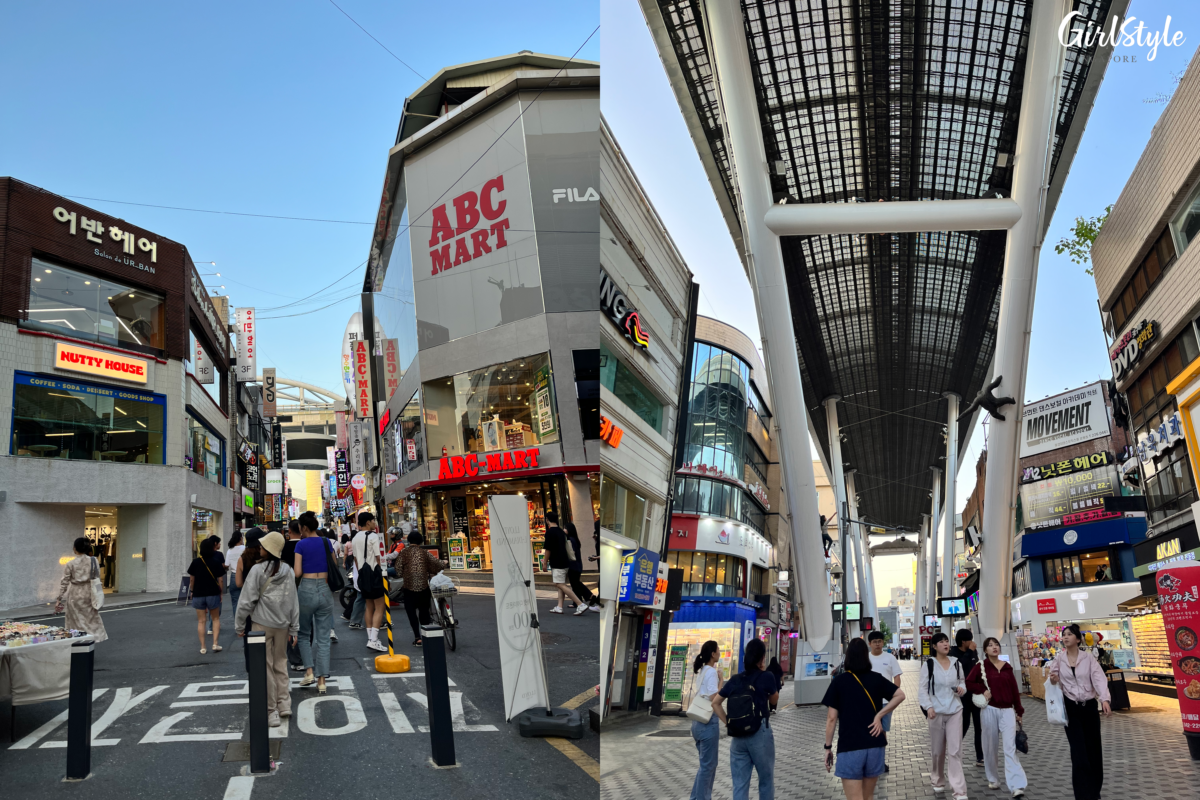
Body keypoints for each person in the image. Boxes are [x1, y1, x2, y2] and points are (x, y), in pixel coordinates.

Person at [821, 637, 905, 799]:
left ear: (848, 657)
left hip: (850, 747)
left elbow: (831, 719)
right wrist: (879, 715)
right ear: (866, 656)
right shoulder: (876, 678)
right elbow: (900, 695)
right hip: (875, 745)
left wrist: (827, 748)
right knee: (868, 797)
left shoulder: (839, 682)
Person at [234, 531, 298, 727]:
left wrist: (239, 625)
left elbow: (246, 600)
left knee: (266, 667)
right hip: (283, 625)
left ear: (268, 549)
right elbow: (293, 600)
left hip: (261, 623)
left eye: (263, 546)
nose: (260, 548)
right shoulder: (288, 570)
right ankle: (284, 704)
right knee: (281, 663)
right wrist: (294, 628)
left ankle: (271, 711)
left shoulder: (257, 570)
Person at [1049, 623, 1112, 800]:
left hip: (1090, 708)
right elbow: (1052, 679)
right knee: (1078, 753)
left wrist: (1104, 699)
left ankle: (1094, 791)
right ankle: (1082, 794)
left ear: (1078, 639)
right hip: (1071, 709)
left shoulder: (1088, 658)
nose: (1065, 637)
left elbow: (1099, 679)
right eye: (1064, 634)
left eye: (1069, 634)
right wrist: (1053, 679)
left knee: (1093, 751)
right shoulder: (1059, 659)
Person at [713, 638, 778, 800]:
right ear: (762, 657)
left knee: (740, 784)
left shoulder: (735, 679)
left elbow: (715, 703)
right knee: (765, 781)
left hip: (738, 737)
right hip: (760, 734)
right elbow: (774, 700)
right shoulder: (767, 676)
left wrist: (728, 722)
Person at [966, 637, 1027, 797]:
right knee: (990, 746)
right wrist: (981, 689)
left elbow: (1014, 690)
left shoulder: (1007, 667)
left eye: (996, 645)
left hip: (1007, 710)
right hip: (989, 710)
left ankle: (1016, 785)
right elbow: (968, 683)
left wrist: (1019, 710)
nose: (994, 647)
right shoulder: (981, 666)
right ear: (985, 650)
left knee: (1010, 748)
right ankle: (993, 778)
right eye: (990, 645)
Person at [919, 632, 968, 799]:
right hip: (936, 712)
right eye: (941, 642)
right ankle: (938, 780)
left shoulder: (956, 663)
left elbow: (962, 681)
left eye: (947, 641)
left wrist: (962, 689)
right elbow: (922, 689)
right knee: (938, 751)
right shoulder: (929, 665)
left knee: (955, 751)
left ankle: (959, 790)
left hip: (955, 709)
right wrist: (928, 707)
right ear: (934, 646)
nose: (945, 644)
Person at [293, 511, 334, 691]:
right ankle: (322, 681)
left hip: (306, 589)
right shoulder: (326, 542)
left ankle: (309, 671)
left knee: (303, 633)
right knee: (324, 638)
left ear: (303, 528)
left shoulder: (301, 545)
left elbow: (297, 573)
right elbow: (335, 563)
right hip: (325, 588)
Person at [54, 537, 108, 643]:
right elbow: (97, 577)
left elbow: (64, 582)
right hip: (89, 592)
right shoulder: (94, 560)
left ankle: (78, 642)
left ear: (75, 549)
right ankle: (93, 639)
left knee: (75, 620)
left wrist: (59, 598)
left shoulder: (71, 564)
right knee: (90, 618)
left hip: (75, 593)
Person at [398, 531, 447, 646]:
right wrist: (443, 562)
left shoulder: (403, 553)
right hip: (423, 589)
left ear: (409, 541)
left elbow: (399, 571)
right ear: (421, 541)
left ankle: (417, 637)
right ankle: (426, 636)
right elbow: (436, 564)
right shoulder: (424, 553)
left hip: (409, 589)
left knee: (411, 614)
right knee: (424, 612)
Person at [689, 640, 724, 800]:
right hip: (707, 722)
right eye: (718, 650)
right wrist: (722, 682)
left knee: (706, 765)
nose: (719, 652)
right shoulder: (710, 672)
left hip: (697, 722)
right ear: (712, 654)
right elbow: (713, 697)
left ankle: (697, 797)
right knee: (708, 766)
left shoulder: (703, 670)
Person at [866, 631, 902, 772]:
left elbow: (897, 677)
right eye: (874, 641)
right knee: (869, 730)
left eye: (880, 641)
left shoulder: (890, 658)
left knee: (882, 732)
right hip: (868, 701)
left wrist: (894, 694)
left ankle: (880, 762)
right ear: (869, 644)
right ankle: (869, 761)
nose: (877, 644)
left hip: (885, 703)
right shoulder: (865, 659)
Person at [353, 512, 388, 652]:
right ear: (368, 523)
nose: (375, 523)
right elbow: (379, 558)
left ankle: (371, 638)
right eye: (373, 520)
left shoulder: (355, 538)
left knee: (369, 606)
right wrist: (384, 575)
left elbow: (355, 560)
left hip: (362, 574)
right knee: (380, 607)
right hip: (375, 574)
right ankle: (374, 640)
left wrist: (361, 574)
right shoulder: (374, 536)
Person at [950, 629, 984, 767]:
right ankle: (954, 753)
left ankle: (980, 757)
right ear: (963, 641)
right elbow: (960, 668)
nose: (972, 642)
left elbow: (975, 669)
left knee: (979, 726)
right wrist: (970, 652)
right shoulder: (952, 653)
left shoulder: (973, 652)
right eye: (970, 639)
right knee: (963, 725)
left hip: (975, 694)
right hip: (962, 695)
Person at [542, 512, 587, 615]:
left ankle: (580, 604)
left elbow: (548, 549)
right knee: (561, 584)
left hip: (557, 562)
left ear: (547, 519)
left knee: (559, 584)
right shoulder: (562, 532)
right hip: (566, 562)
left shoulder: (549, 532)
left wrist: (545, 563)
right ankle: (559, 606)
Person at [187, 537, 225, 654]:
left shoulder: (196, 562)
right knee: (215, 619)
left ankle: (203, 647)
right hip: (213, 593)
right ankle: (215, 644)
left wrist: (192, 591)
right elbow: (221, 579)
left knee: (201, 621)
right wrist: (221, 592)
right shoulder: (216, 562)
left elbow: (192, 579)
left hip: (198, 594)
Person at [564, 522, 601, 612]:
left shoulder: (570, 540)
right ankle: (587, 597)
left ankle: (580, 601)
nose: (563, 530)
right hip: (577, 565)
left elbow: (570, 553)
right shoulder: (575, 539)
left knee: (575, 584)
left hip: (573, 565)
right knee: (576, 583)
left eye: (565, 528)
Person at [226, 531, 246, 613]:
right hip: (244, 576)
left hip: (233, 576)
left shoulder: (229, 550)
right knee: (245, 601)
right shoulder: (245, 549)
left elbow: (227, 565)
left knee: (235, 602)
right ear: (241, 538)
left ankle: (237, 623)